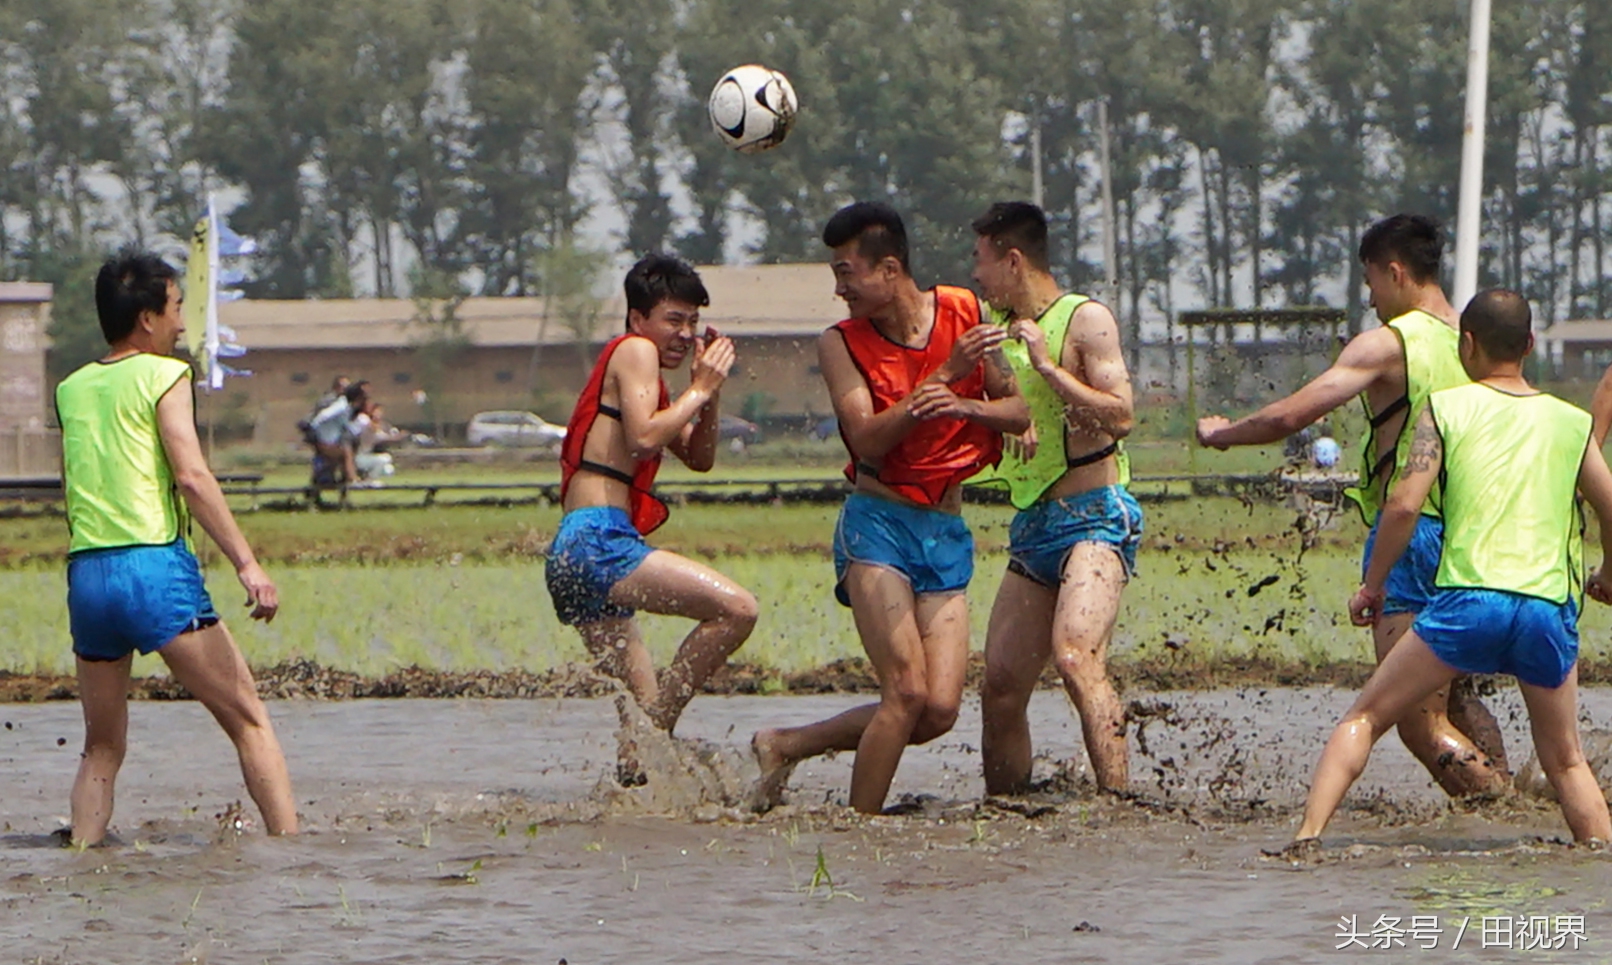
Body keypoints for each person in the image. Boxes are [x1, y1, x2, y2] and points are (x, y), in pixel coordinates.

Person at [1196, 214, 1509, 797]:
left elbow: (1292, 416)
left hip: (1414, 538)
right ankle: (1515, 797)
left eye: (1371, 283)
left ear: (1394, 272)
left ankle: (1501, 807)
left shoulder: (1391, 343)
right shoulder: (1476, 343)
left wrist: (1223, 432)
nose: (1370, 299)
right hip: (1478, 537)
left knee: (1418, 721)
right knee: (1454, 695)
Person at [1292, 289, 1612, 848]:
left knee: (1363, 719)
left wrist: (1372, 586)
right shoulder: (1571, 421)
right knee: (1565, 762)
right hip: (1545, 607)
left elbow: (1404, 505)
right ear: (1530, 345)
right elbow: (1610, 505)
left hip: (1469, 604)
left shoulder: (1445, 408)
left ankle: (1305, 840)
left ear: (1467, 344)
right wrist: (1608, 570)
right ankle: (1599, 860)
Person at [750, 202, 1029, 814]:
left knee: (937, 710)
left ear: (891, 268)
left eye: (847, 273)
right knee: (903, 692)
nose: (838, 288)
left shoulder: (965, 311)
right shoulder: (839, 343)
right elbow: (866, 438)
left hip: (946, 528)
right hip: (878, 524)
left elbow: (1016, 412)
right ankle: (860, 833)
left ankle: (787, 744)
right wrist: (947, 375)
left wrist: (966, 406)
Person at [53, 251, 297, 846]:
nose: (182, 323)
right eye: (176, 308)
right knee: (249, 722)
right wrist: (247, 563)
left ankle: (82, 856)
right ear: (146, 318)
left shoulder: (71, 387)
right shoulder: (166, 375)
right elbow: (191, 476)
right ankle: (294, 858)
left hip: (87, 575)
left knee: (102, 746)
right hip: (153, 569)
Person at [545, 254, 758, 763]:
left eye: (693, 322)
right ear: (639, 319)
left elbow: (700, 457)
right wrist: (700, 386)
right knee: (737, 610)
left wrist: (711, 395)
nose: (685, 334)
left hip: (577, 550)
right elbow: (643, 438)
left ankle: (634, 781)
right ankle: (651, 734)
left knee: (641, 741)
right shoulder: (636, 351)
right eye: (674, 320)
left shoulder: (648, 377)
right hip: (597, 541)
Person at [965, 201, 1141, 794]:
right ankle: (1005, 807)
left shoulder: (1085, 320)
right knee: (1001, 685)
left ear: (1013, 261)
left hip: (1096, 517)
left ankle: (1119, 801)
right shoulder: (991, 329)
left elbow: (1122, 416)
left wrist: (1046, 367)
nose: (976, 275)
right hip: (1035, 525)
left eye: (981, 262)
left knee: (1074, 655)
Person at [308, 382, 366, 484]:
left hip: (330, 440)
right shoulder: (342, 407)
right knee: (346, 452)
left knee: (343, 455)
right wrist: (314, 428)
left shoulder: (344, 406)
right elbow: (324, 415)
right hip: (324, 442)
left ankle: (345, 479)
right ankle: (352, 478)